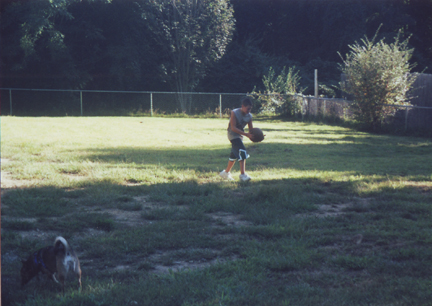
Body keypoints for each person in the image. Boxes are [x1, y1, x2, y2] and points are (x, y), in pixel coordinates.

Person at [219, 96, 255, 181]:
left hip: (239, 136)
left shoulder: (249, 116)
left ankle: (225, 173)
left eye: (250, 109)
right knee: (242, 151)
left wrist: (257, 136)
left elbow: (251, 130)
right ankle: (243, 175)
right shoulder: (234, 112)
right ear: (242, 106)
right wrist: (246, 134)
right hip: (232, 134)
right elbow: (233, 128)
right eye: (247, 109)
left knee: (234, 155)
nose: (248, 111)